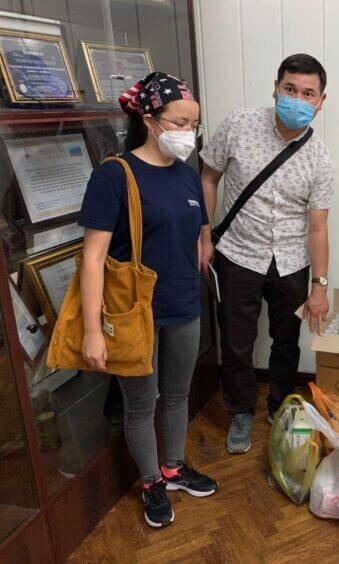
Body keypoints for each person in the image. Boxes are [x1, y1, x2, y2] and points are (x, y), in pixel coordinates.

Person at [78, 72, 218, 528]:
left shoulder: (187, 177)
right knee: (141, 403)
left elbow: (197, 234)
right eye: (179, 123)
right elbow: (93, 258)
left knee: (177, 394)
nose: (188, 134)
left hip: (185, 306)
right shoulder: (114, 176)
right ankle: (151, 481)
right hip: (134, 313)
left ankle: (173, 467)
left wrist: (202, 253)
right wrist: (94, 331)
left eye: (193, 125)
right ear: (150, 120)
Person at [200, 54, 334, 454]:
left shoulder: (320, 158)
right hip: (238, 253)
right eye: (290, 89)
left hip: (291, 261)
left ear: (320, 101)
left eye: (308, 93)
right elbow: (208, 177)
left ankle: (280, 405)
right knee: (236, 341)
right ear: (276, 89)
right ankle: (241, 411)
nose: (297, 99)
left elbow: (318, 227)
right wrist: (203, 236)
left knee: (286, 340)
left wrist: (320, 287)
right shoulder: (238, 125)